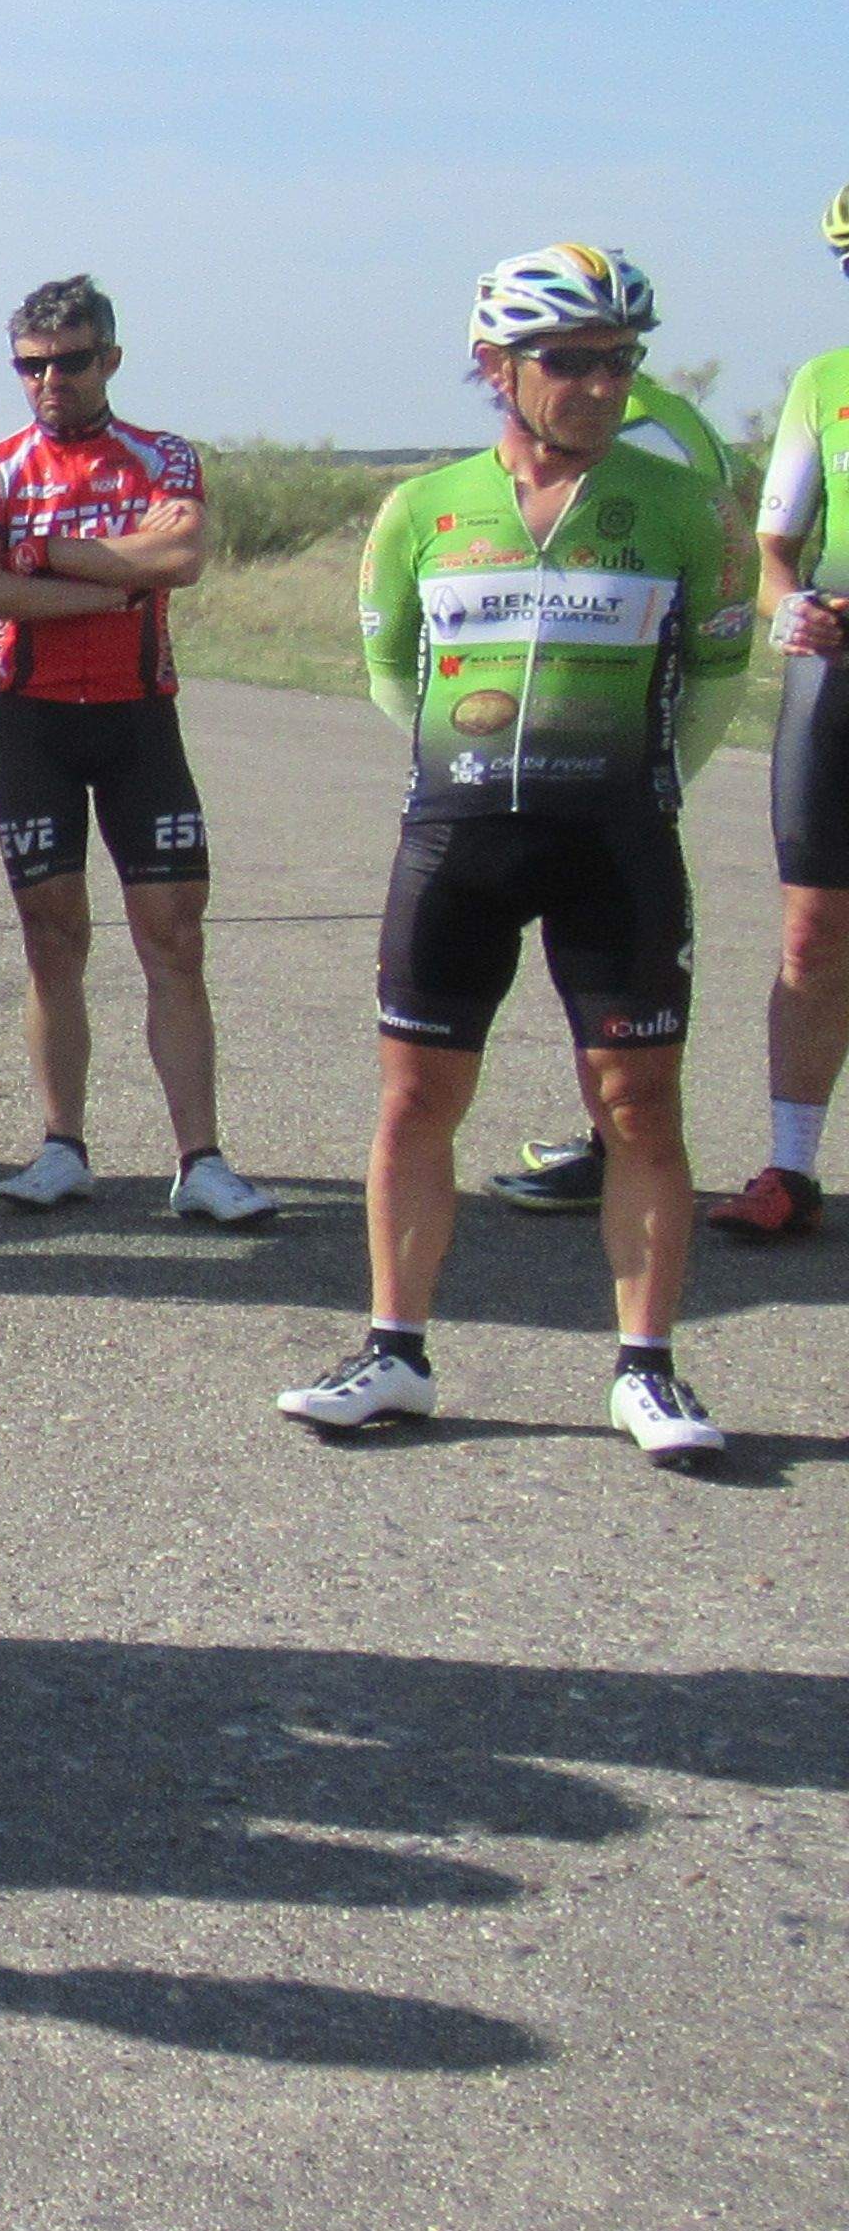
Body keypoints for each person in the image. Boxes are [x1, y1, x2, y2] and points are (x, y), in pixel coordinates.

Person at [282, 248, 753, 1461]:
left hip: (615, 840)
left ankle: (647, 1371)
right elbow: (393, 676)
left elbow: (715, 681)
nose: (602, 385)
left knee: (638, 1105)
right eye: (572, 361)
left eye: (622, 360)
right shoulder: (422, 508)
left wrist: (628, 782)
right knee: (415, 1099)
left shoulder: (685, 507)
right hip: (459, 836)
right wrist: (484, 773)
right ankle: (394, 1353)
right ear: (496, 367)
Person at [0, 277, 281, 1227]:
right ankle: (62, 1147)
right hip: (30, 722)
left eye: (72, 362)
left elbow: (181, 561)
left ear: (110, 359)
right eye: (32, 366)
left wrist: (42, 556)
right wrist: (113, 578)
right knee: (52, 938)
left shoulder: (163, 456)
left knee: (173, 936)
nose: (51, 381)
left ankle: (200, 1160)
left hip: (138, 719)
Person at [483, 340, 749, 1220]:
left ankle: (613, 1150)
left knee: (611, 967)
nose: (597, 379)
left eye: (615, 353)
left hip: (619, 733)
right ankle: (611, 1140)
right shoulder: (667, 414)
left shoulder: (653, 429)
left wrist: (665, 772)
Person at [726, 204, 849, 1245]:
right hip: (836, 683)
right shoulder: (823, 382)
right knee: (812, 934)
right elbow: (773, 556)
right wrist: (793, 609)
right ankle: (791, 1168)